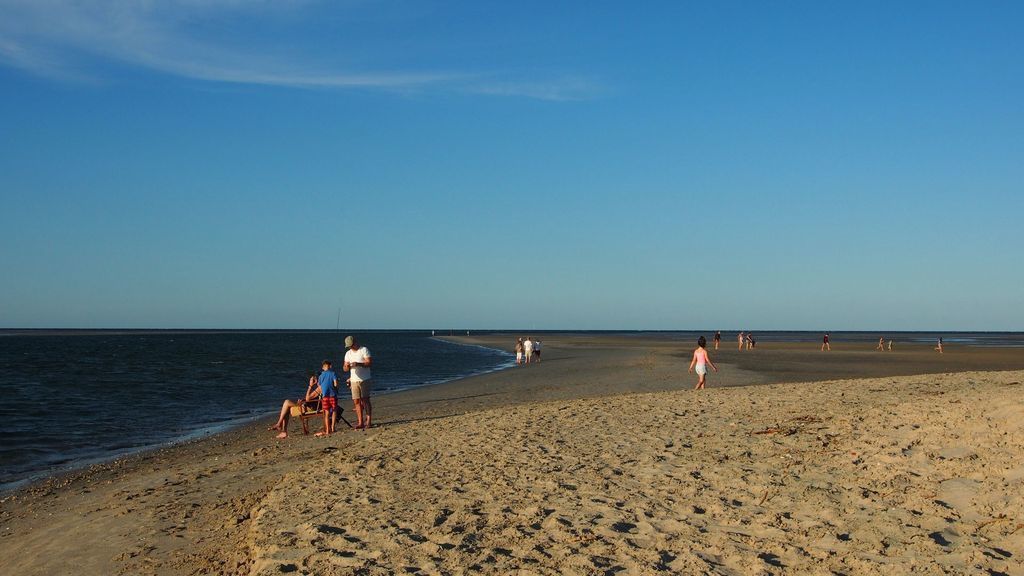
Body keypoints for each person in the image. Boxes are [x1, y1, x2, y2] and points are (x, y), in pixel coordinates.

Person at [268, 371, 322, 439]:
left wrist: (310, 386)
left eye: (314, 379)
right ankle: (282, 429)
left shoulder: (320, 388)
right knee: (287, 406)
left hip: (309, 408)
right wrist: (303, 401)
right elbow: (310, 399)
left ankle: (280, 426)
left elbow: (308, 398)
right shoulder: (323, 387)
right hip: (310, 406)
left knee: (287, 402)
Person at [343, 335, 373, 430]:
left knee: (365, 400)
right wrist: (347, 367)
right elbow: (344, 368)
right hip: (354, 379)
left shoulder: (364, 350)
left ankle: (368, 421)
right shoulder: (348, 353)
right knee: (356, 401)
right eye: (348, 346)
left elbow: (369, 363)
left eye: (351, 345)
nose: (350, 347)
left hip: (365, 379)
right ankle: (360, 422)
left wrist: (358, 364)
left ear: (355, 342)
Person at [315, 360, 339, 437]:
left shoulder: (321, 375)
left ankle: (328, 430)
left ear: (323, 367)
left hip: (325, 396)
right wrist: (336, 388)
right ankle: (333, 427)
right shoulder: (333, 373)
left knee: (327, 412)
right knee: (334, 411)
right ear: (330, 366)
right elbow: (336, 383)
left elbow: (319, 385)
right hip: (332, 395)